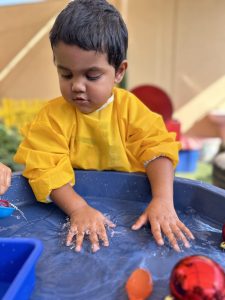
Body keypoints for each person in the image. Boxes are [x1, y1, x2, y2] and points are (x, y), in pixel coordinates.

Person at [14, 0, 194, 253]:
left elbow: (157, 147)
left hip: (130, 205)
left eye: (92, 76)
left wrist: (163, 199)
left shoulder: (130, 110)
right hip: (72, 204)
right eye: (66, 74)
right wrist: (78, 209)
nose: (77, 85)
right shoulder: (52, 117)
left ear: (119, 72)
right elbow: (45, 169)